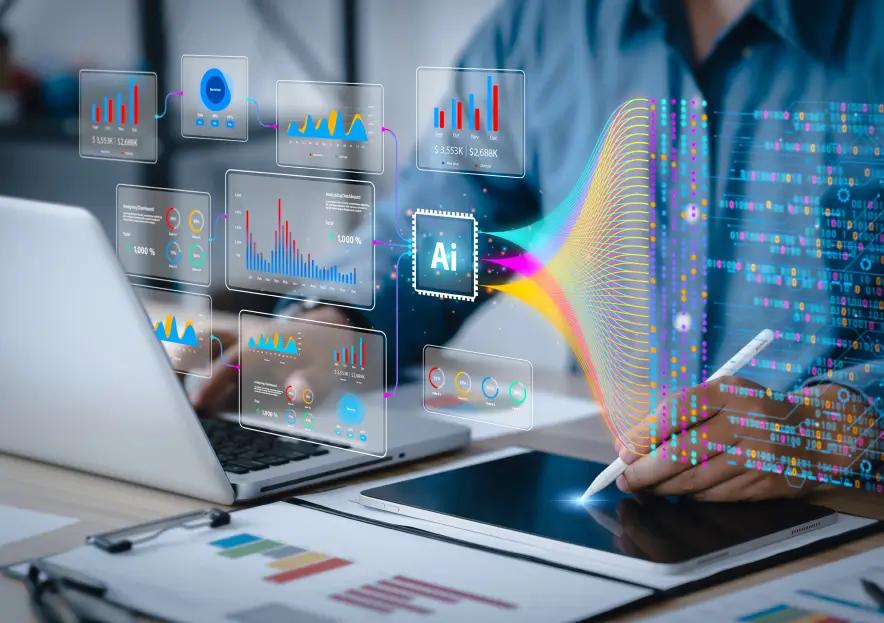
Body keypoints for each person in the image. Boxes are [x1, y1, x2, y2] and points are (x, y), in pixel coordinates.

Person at [197, 0, 883, 501]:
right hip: (607, 498)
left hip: (843, 519)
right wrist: (339, 323)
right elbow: (444, 222)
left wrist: (842, 421)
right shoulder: (542, 25)